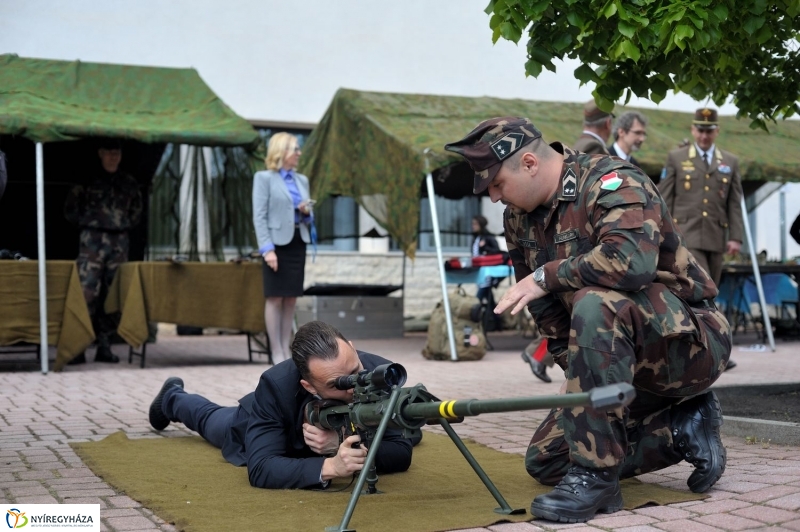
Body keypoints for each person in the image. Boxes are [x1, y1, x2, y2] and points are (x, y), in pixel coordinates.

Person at [444, 117, 731, 523]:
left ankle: (596, 479)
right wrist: (575, 365)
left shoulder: (611, 181)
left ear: (528, 163)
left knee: (596, 301)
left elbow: (629, 262)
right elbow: (541, 306)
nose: (493, 198)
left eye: (496, 184)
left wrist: (547, 275)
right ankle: (682, 428)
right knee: (546, 460)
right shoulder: (518, 218)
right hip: (618, 361)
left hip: (687, 345)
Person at [147, 320, 418, 489]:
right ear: (308, 386)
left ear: (351, 346)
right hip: (265, 427)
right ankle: (173, 397)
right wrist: (331, 467)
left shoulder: (377, 372)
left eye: (355, 369)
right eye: (340, 383)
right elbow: (262, 468)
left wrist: (340, 442)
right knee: (211, 420)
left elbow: (401, 452)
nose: (356, 383)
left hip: (333, 437)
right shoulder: (275, 385)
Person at [659, 108, 743, 371]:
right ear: (693, 130)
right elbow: (663, 198)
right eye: (700, 130)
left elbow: (734, 203)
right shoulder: (677, 157)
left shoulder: (729, 161)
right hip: (687, 237)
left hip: (716, 237)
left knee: (710, 294)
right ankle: (708, 352)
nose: (704, 135)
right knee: (700, 293)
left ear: (716, 131)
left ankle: (707, 350)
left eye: (709, 130)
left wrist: (736, 237)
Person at [64, 138, 142, 364]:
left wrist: (121, 225)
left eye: (116, 152)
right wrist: (89, 224)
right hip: (92, 243)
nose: (113, 156)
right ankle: (78, 346)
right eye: (108, 152)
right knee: (86, 294)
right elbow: (70, 209)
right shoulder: (87, 179)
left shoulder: (128, 182)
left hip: (119, 243)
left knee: (113, 295)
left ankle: (105, 346)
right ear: (100, 153)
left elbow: (136, 212)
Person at [252, 133, 313, 364]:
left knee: (291, 299)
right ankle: (276, 351)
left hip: (298, 242)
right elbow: (259, 216)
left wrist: (306, 212)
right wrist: (267, 249)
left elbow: (307, 217)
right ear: (281, 151)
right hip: (276, 244)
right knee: (275, 297)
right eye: (294, 149)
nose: (299, 153)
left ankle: (287, 350)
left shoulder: (302, 180)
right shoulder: (264, 178)